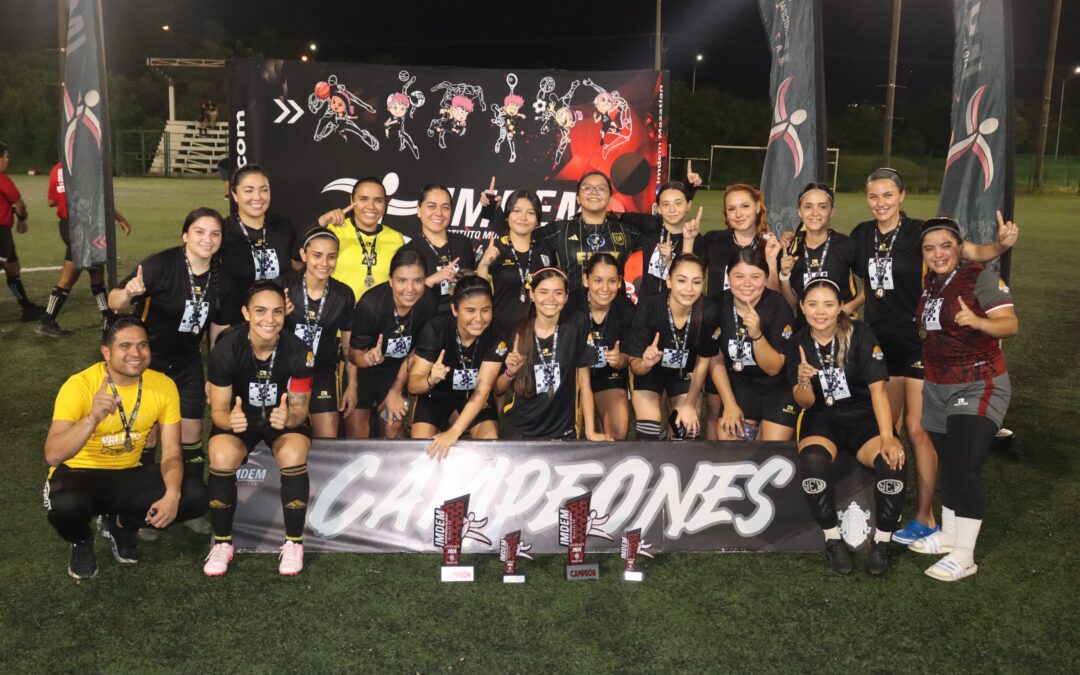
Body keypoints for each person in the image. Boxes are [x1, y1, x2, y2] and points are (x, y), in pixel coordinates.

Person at [850, 167, 1018, 545]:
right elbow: (869, 283)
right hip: (880, 344)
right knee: (885, 429)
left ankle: (925, 516)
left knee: (917, 429)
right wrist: (846, 306)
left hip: (919, 344)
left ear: (902, 196)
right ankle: (882, 506)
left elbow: (968, 251)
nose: (881, 202)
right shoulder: (862, 234)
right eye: (874, 195)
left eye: (888, 195)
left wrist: (1001, 246)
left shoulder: (919, 234)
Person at [43, 316, 208, 580]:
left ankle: (120, 524)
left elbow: (172, 452)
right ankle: (82, 540)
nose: (136, 353)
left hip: (129, 474)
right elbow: (53, 453)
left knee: (195, 495)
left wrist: (173, 495)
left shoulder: (163, 386)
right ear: (106, 352)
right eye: (125, 346)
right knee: (64, 505)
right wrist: (92, 419)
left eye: (143, 345)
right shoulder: (79, 385)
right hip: (82, 474)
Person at [907, 217, 1017, 581]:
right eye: (930, 248)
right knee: (951, 461)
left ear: (959, 247)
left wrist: (979, 322)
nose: (938, 253)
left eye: (945, 246)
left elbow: (1009, 324)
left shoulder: (980, 277)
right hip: (937, 385)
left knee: (966, 465)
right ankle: (950, 535)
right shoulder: (932, 281)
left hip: (978, 382)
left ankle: (965, 555)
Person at [108, 208, 228, 530]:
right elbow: (114, 301)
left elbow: (217, 330)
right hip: (149, 364)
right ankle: (142, 508)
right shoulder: (160, 265)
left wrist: (214, 375)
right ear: (185, 235)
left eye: (214, 233)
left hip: (188, 364)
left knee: (190, 437)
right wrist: (129, 293)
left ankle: (188, 507)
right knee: (148, 438)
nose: (207, 239)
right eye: (199, 232)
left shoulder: (221, 275)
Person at [787, 278, 905, 576]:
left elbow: (878, 391)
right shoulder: (798, 342)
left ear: (841, 307)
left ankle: (882, 541)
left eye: (828, 304)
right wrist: (802, 380)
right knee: (812, 462)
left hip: (863, 416)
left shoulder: (861, 333)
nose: (820, 312)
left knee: (892, 463)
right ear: (801, 307)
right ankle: (832, 539)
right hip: (821, 417)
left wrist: (889, 437)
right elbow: (804, 403)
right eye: (812, 304)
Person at [204, 281, 314, 576]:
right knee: (221, 454)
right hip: (240, 420)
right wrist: (229, 421)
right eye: (261, 311)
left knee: (293, 452)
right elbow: (217, 410)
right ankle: (223, 543)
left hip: (282, 420)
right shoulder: (226, 348)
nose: (270, 319)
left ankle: (294, 542)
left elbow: (302, 407)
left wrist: (289, 418)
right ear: (246, 313)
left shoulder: (299, 351)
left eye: (277, 312)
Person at [496, 267, 611, 441]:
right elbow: (498, 389)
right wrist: (510, 371)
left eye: (558, 293)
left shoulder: (577, 324)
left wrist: (590, 431)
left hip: (562, 432)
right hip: (521, 430)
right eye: (543, 292)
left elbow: (584, 383)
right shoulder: (518, 332)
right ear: (532, 295)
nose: (550, 299)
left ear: (566, 297)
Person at [625, 254, 721, 440]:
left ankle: (673, 446)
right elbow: (635, 366)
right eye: (681, 281)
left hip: (684, 373)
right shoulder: (649, 307)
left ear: (703, 283)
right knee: (649, 433)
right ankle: (659, 437)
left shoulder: (709, 310)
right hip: (651, 372)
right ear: (669, 281)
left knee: (685, 431)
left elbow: (703, 363)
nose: (689, 289)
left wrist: (689, 405)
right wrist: (645, 362)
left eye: (696, 282)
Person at [348, 249, 438, 439]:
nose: (410, 289)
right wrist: (367, 358)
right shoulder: (371, 305)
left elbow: (418, 350)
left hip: (397, 370)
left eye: (418, 281)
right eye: (402, 280)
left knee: (392, 425)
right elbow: (353, 354)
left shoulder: (428, 301)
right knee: (357, 433)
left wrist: (395, 390)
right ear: (390, 280)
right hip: (365, 371)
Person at [37, 160, 133, 337]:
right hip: (84, 225)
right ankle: (48, 321)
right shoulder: (85, 164)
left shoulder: (57, 168)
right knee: (78, 274)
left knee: (90, 271)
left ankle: (106, 316)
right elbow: (100, 199)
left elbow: (51, 201)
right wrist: (120, 219)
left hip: (67, 225)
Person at [710, 249, 797, 441]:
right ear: (728, 277)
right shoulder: (717, 305)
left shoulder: (777, 307)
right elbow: (715, 359)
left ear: (765, 278)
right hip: (741, 384)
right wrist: (730, 404)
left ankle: (762, 432)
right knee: (728, 440)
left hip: (778, 387)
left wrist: (757, 335)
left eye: (755, 277)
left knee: (772, 449)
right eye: (738, 276)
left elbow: (774, 369)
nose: (747, 284)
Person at [409, 275, 502, 444]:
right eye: (470, 310)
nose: (479, 319)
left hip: (472, 395)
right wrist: (430, 379)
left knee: (490, 444)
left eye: (486, 310)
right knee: (421, 447)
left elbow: (483, 389)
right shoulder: (436, 329)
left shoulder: (496, 331)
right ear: (454, 310)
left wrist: (454, 432)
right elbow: (413, 385)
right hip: (437, 394)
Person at [282, 228, 357, 439]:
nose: (324, 263)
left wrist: (352, 386)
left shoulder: (343, 294)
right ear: (304, 254)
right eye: (317, 255)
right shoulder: (284, 287)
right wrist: (279, 317)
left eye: (331, 256)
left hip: (322, 371)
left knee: (327, 439)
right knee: (283, 433)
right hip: (284, 371)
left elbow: (348, 347)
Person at [539, 171, 659, 292]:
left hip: (615, 307)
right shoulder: (559, 230)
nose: (594, 192)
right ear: (578, 198)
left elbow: (658, 230)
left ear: (610, 199)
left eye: (601, 188)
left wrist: (622, 216)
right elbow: (525, 238)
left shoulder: (625, 230)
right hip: (571, 306)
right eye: (587, 188)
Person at [214, 165, 301, 332]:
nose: (258, 197)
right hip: (238, 325)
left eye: (264, 190)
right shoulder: (223, 231)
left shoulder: (283, 227)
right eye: (248, 190)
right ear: (234, 194)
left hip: (277, 323)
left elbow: (297, 268)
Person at [567, 253, 634, 439]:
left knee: (617, 433)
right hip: (574, 375)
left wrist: (621, 360)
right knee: (567, 431)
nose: (605, 288)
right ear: (585, 280)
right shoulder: (570, 305)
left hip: (608, 374)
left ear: (620, 282)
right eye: (597, 280)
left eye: (612, 281)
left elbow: (630, 357)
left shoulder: (626, 309)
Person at [778, 183, 860, 324]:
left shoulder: (846, 245)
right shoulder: (790, 251)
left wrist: (848, 308)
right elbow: (791, 304)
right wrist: (784, 276)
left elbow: (871, 283)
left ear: (832, 211)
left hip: (843, 326)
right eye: (808, 206)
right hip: (806, 329)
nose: (815, 212)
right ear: (799, 211)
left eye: (822, 206)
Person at [617, 164, 703, 300]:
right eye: (665, 204)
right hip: (646, 307)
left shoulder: (697, 241)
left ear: (689, 205)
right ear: (659, 209)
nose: (672, 209)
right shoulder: (650, 225)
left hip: (680, 307)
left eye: (678, 203)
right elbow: (619, 216)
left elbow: (691, 278)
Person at [683, 183, 782, 298]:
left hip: (756, 315)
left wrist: (771, 263)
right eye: (731, 209)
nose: (738, 214)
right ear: (726, 213)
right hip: (717, 315)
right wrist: (688, 240)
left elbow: (775, 301)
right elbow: (686, 275)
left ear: (757, 207)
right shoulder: (714, 240)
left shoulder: (770, 246)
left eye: (745, 206)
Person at [476, 188, 556, 332]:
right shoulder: (493, 248)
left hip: (536, 334)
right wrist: (483, 265)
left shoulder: (545, 250)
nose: (523, 217)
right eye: (517, 211)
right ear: (507, 216)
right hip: (495, 333)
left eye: (531, 213)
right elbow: (476, 294)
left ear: (538, 220)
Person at [315, 176, 405, 303]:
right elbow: (297, 255)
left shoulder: (395, 238)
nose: (371, 206)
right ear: (351, 199)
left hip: (378, 317)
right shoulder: (334, 231)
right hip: (338, 313)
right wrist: (321, 222)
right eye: (363, 199)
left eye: (378, 200)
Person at [399, 184, 475, 315]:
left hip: (462, 324)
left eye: (445, 207)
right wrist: (430, 280)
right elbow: (403, 302)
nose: (439, 213)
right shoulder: (408, 252)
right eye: (431, 206)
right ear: (418, 209)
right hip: (426, 326)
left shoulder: (462, 243)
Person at [0, 142, 46, 320]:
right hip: (1, 232)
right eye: (5, 156)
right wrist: (22, 219)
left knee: (12, 267)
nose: (7, 160)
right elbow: (20, 205)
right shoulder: (2, 178)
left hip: (4, 231)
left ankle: (27, 308)